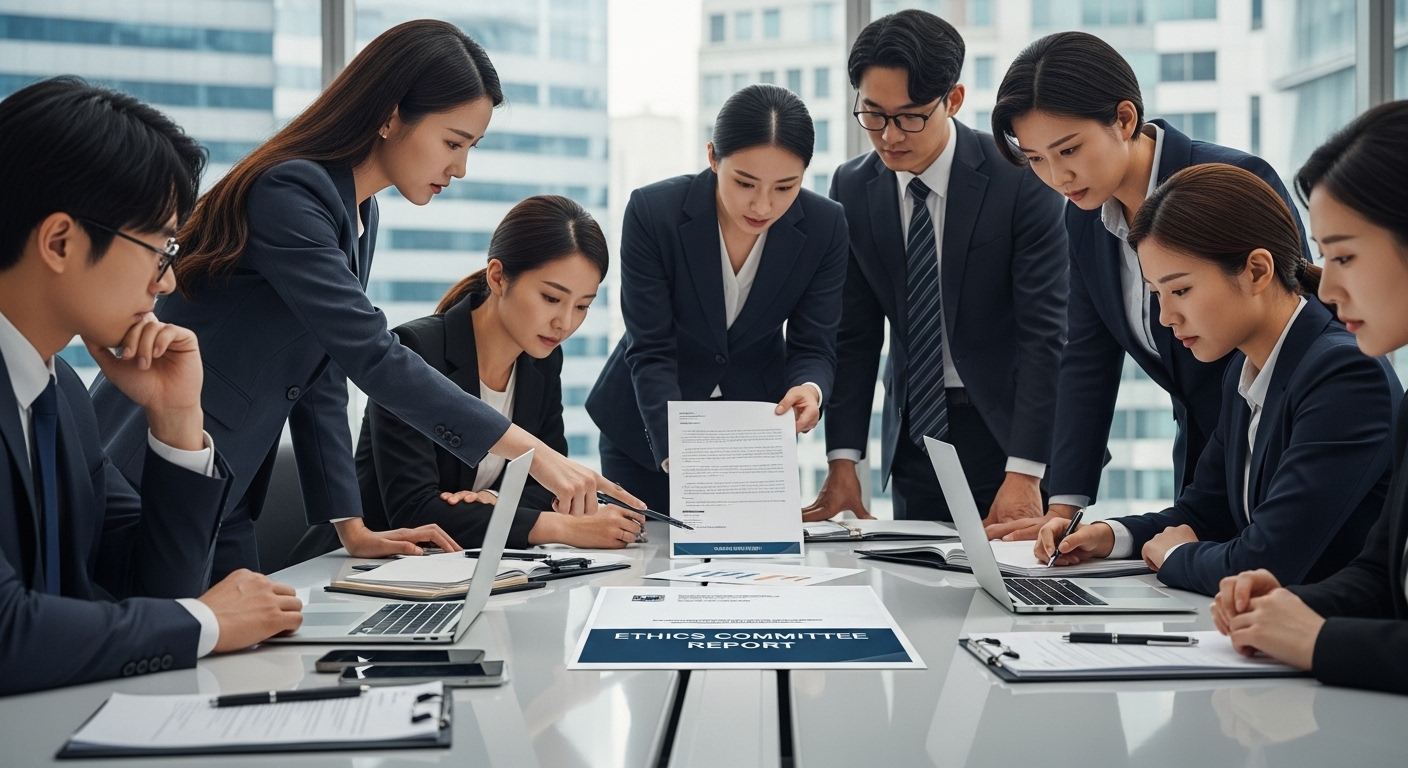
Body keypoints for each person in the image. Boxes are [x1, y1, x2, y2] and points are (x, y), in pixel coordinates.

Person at [90, 21, 639, 581]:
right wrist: (533, 454)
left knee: (257, 629)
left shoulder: (357, 212)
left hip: (226, 480)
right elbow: (371, 355)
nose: (460, 168)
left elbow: (322, 371)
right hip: (150, 465)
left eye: (470, 148)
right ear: (390, 116)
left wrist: (350, 526)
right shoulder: (290, 193)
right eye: (453, 143)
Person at [0, 78, 302, 695]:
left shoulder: (60, 396)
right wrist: (207, 623)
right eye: (160, 249)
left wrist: (177, 419)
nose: (166, 283)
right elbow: (9, 634)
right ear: (60, 242)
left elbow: (154, 590)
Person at [986, 31, 1311, 541]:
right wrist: (1063, 507)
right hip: (1203, 472)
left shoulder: (1232, 179)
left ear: (1124, 119)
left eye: (1068, 149)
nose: (1058, 176)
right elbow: (1087, 358)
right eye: (1036, 159)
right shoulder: (1084, 219)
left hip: (1283, 450)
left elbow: (1297, 328)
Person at [1033, 163, 1398, 596]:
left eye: (1180, 290)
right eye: (1156, 294)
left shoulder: (1343, 373)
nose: (1166, 317)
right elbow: (1204, 515)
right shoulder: (1244, 372)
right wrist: (1110, 536)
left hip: (1323, 630)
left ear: (1257, 271)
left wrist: (1176, 556)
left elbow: (1267, 561)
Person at [802, 10, 1067, 524]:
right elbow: (853, 338)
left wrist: (1026, 470)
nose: (889, 136)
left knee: (1016, 574)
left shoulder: (1021, 178)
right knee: (917, 573)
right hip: (916, 436)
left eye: (909, 117)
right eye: (873, 114)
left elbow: (1047, 335)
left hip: (1014, 438)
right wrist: (843, 461)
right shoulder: (853, 187)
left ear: (954, 99)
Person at [1212, 101, 1408, 694]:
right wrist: (1289, 605)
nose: (1329, 284)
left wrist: (1320, 642)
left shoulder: (1341, 371)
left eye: (1344, 256)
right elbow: (1381, 577)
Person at [586, 84, 848, 513]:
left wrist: (809, 388)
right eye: (745, 182)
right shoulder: (653, 213)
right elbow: (651, 348)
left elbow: (814, 344)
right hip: (646, 430)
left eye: (785, 187)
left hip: (752, 432)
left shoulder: (825, 225)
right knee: (645, 552)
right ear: (712, 157)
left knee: (753, 555)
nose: (762, 205)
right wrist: (678, 453)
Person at [356, 196, 646, 549]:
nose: (565, 323)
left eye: (582, 306)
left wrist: (495, 500)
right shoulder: (415, 351)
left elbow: (545, 485)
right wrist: (564, 528)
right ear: (498, 277)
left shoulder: (542, 360)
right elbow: (414, 510)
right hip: (366, 565)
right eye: (551, 298)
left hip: (465, 564)